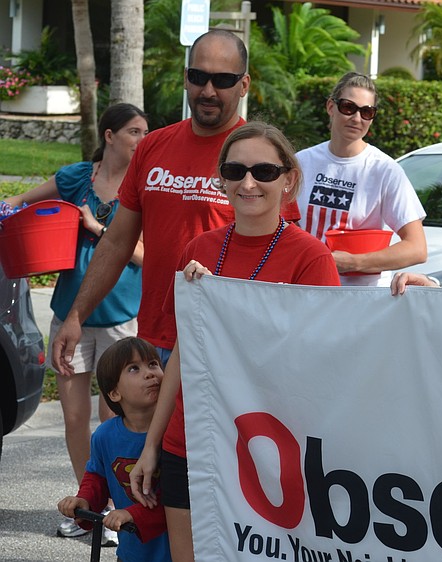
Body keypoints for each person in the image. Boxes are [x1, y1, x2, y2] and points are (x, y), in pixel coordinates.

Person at [129, 122, 340, 561]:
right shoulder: (199, 251)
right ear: (220, 180)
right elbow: (183, 357)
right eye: (235, 170)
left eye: (264, 171)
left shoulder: (310, 257)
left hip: (268, 450)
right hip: (189, 442)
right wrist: (152, 444)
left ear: (289, 179)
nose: (248, 183)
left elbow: (324, 362)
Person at [50, 29, 299, 374]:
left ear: (244, 85)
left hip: (227, 347)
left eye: (223, 79)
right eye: (198, 77)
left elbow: (285, 252)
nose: (208, 91)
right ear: (186, 78)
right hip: (153, 342)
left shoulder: (259, 158)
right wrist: (76, 315)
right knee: (142, 430)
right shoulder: (152, 147)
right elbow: (117, 242)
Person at [3, 103, 147, 541]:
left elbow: (145, 255)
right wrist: (7, 207)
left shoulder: (143, 186)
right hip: (70, 315)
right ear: (109, 135)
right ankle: (89, 506)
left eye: (145, 132)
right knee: (73, 417)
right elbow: (21, 201)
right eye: (135, 132)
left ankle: (115, 510)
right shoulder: (76, 178)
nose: (143, 139)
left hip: (122, 316)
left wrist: (96, 227)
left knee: (112, 419)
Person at [296, 72, 426, 286]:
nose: (357, 118)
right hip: (303, 290)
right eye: (348, 107)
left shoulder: (384, 169)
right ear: (331, 107)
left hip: (358, 301)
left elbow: (417, 248)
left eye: (367, 112)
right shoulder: (301, 162)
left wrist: (355, 262)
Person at [57, 336, 171, 562]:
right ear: (114, 393)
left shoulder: (175, 432)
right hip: (131, 552)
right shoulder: (105, 435)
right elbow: (97, 476)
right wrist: (85, 500)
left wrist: (132, 514)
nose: (149, 373)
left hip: (176, 551)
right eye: (133, 368)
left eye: (153, 364)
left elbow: (179, 494)